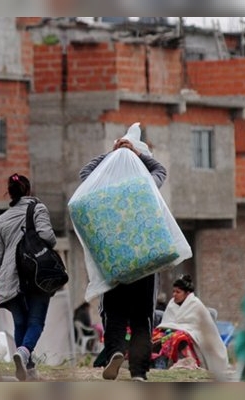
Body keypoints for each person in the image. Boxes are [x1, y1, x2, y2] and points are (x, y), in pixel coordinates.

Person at [78, 123, 167, 382]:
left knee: (115, 313)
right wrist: (136, 156)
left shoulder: (103, 186)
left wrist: (113, 154)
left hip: (115, 262)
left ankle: (116, 351)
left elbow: (85, 172)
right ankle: (138, 371)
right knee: (142, 317)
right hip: (144, 262)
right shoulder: (146, 185)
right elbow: (161, 169)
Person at [0, 173, 58, 381]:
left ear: (9, 193)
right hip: (36, 275)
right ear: (29, 191)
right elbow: (48, 237)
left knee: (20, 323)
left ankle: (27, 370)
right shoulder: (38, 208)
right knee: (36, 322)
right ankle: (23, 354)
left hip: (9, 278)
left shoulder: (2, 219)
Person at [152, 275, 229, 373]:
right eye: (173, 291)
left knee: (179, 337)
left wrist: (181, 330)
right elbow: (167, 322)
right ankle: (159, 363)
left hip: (194, 336)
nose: (174, 294)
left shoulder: (196, 305)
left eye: (178, 292)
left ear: (187, 293)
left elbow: (199, 328)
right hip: (171, 331)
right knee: (157, 336)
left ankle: (189, 363)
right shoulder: (172, 304)